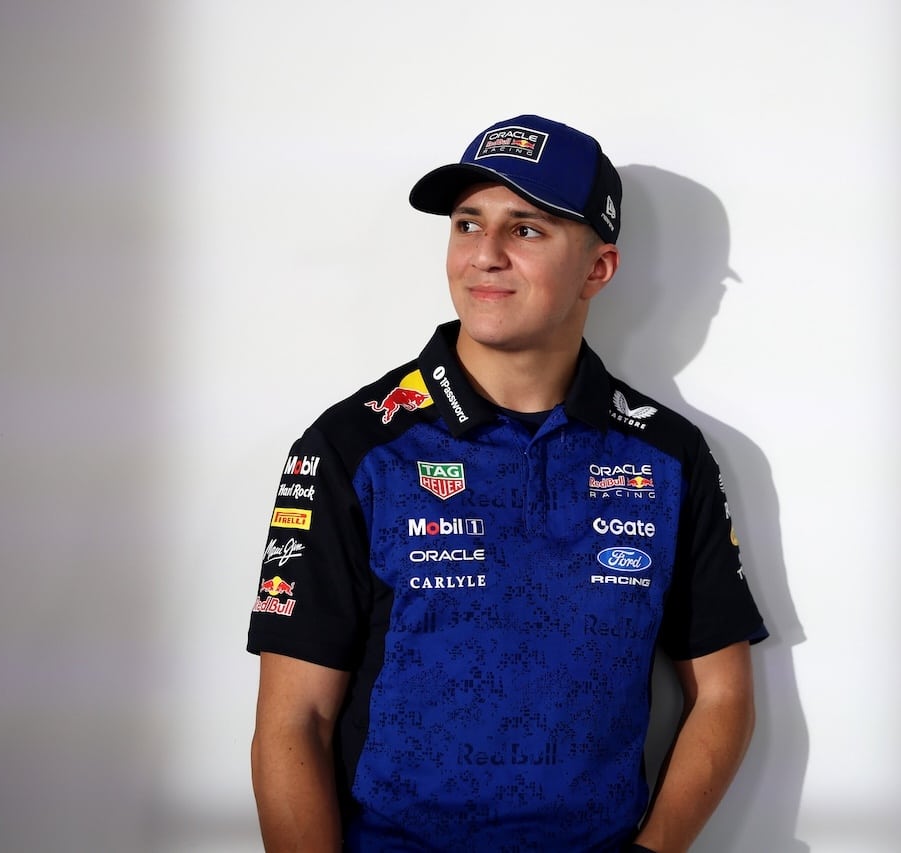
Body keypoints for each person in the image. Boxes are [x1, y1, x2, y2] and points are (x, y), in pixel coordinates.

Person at [247, 114, 768, 853]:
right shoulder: (353, 447)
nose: (484, 255)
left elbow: (721, 692)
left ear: (598, 269)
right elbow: (293, 721)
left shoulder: (670, 456)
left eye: (525, 229)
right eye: (467, 224)